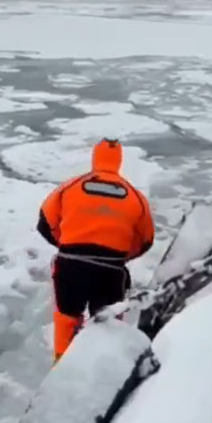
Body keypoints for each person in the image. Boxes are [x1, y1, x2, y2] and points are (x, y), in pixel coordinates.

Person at [36, 138, 155, 363]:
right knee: (107, 325)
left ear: (95, 157)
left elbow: (45, 222)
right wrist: (119, 253)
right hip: (110, 271)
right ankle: (103, 371)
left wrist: (68, 244)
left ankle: (61, 368)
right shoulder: (135, 197)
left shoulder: (70, 187)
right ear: (119, 160)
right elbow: (145, 240)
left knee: (66, 319)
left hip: (70, 265)